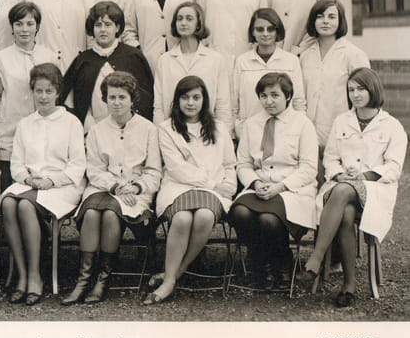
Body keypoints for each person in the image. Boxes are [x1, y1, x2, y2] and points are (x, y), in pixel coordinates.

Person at [297, 68, 407, 307]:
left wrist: (364, 176)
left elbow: (394, 167)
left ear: (373, 90)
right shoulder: (341, 121)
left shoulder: (392, 126)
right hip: (340, 188)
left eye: (361, 89)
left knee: (345, 190)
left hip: (374, 191)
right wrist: (339, 174)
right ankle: (349, 285)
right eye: (351, 90)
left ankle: (316, 258)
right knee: (346, 211)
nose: (355, 94)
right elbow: (330, 159)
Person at [62, 72, 161, 305]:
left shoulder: (148, 129)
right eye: (111, 97)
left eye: (122, 97)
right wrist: (115, 186)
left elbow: (154, 172)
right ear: (105, 99)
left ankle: (103, 279)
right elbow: (94, 170)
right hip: (103, 187)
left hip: (134, 193)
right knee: (91, 212)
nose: (116, 102)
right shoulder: (97, 130)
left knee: (109, 214)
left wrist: (136, 187)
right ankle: (83, 279)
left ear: (132, 99)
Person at [143, 75, 236, 304]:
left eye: (196, 97)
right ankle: (171, 278)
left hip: (213, 192)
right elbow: (177, 168)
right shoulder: (166, 128)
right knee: (182, 218)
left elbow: (229, 164)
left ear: (204, 100)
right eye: (185, 98)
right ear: (177, 100)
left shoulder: (219, 128)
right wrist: (213, 184)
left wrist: (229, 187)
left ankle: (172, 277)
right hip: (178, 187)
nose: (191, 103)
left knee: (205, 216)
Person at [1, 63, 86, 305]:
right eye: (39, 91)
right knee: (8, 203)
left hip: (62, 186)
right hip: (30, 184)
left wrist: (51, 181)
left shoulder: (71, 122)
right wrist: (27, 179)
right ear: (32, 91)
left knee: (24, 206)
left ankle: (35, 276)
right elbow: (17, 165)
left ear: (58, 92)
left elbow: (77, 165)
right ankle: (22, 274)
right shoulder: (25, 124)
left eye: (49, 91)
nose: (44, 96)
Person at [230, 72, 318, 289]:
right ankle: (260, 260)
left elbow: (309, 168)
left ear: (287, 96)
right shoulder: (252, 124)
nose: (268, 101)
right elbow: (243, 164)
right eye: (263, 96)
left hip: (291, 189)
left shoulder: (303, 124)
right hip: (259, 186)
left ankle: (282, 261)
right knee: (240, 213)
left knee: (268, 220)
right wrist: (256, 183)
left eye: (275, 95)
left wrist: (280, 187)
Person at [0, 2, 57, 191]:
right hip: (8, 133)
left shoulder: (49, 57)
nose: (24, 29)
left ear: (37, 27)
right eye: (19, 24)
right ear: (12, 27)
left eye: (30, 24)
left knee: (36, 190)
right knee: (8, 190)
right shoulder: (0, 58)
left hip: (41, 133)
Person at [59, 1, 154, 133]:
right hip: (93, 130)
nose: (103, 30)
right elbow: (71, 99)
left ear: (117, 27)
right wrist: (88, 125)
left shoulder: (133, 56)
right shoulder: (83, 60)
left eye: (108, 24)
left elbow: (146, 98)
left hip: (131, 130)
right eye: (98, 25)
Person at [299, 0, 370, 148]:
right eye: (320, 17)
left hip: (343, 132)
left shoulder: (353, 54)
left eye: (331, 17)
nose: (325, 21)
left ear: (340, 21)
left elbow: (366, 97)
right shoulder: (305, 55)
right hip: (309, 132)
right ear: (313, 21)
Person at [152, 2, 232, 132]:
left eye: (189, 19)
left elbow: (223, 104)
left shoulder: (215, 60)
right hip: (173, 132)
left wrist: (224, 136)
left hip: (206, 132)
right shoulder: (164, 60)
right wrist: (160, 134)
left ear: (198, 24)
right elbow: (159, 106)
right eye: (179, 19)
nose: (183, 23)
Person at [232, 8, 306, 138]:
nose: (265, 34)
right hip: (250, 133)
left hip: (285, 134)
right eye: (260, 29)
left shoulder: (291, 61)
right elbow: (234, 103)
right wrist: (236, 132)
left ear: (277, 31)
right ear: (253, 32)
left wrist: (298, 132)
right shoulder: (242, 62)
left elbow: (298, 102)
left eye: (271, 29)